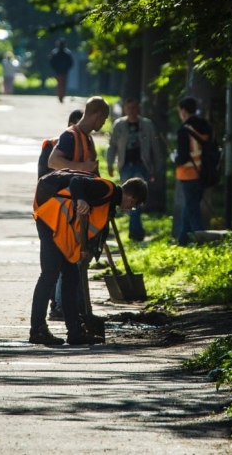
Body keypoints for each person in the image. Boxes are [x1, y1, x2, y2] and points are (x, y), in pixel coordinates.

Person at [29, 170, 148, 345]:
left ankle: (75, 331)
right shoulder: (106, 188)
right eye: (134, 205)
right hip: (51, 221)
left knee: (71, 277)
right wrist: (81, 199)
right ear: (132, 199)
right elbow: (77, 181)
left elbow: (84, 226)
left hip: (63, 232)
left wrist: (83, 249)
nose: (131, 208)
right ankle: (37, 330)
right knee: (49, 274)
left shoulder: (108, 203)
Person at [36, 108, 84, 321]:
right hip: (54, 216)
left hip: (74, 216)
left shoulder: (86, 147)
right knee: (53, 269)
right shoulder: (53, 147)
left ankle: (72, 314)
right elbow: (45, 181)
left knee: (70, 267)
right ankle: (56, 309)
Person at [105, 98, 163, 242]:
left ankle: (135, 233)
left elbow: (155, 147)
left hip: (142, 165)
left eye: (134, 107)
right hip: (125, 166)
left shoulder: (147, 125)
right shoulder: (119, 125)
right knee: (129, 198)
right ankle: (136, 232)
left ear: (139, 109)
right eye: (129, 107)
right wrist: (110, 163)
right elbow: (112, 145)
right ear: (125, 109)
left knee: (136, 197)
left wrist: (156, 167)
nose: (132, 110)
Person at [173, 96, 212, 246]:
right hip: (204, 173)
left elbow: (183, 157)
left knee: (193, 210)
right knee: (189, 207)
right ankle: (182, 240)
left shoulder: (184, 130)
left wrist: (174, 158)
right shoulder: (206, 126)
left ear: (183, 110)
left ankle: (202, 242)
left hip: (188, 174)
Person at [47, 95, 110, 174]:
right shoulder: (70, 136)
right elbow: (53, 161)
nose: (104, 122)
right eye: (105, 118)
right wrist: (82, 167)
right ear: (98, 115)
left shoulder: (88, 138)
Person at [37, 109, 83, 179]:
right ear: (71, 125)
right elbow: (43, 180)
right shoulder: (51, 145)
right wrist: (82, 167)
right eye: (80, 127)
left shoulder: (88, 145)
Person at [48, 38, 74, 103]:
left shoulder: (56, 53)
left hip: (60, 71)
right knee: (62, 84)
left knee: (60, 84)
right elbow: (71, 63)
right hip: (62, 71)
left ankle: (61, 96)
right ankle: (61, 96)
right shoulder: (66, 53)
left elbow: (51, 62)